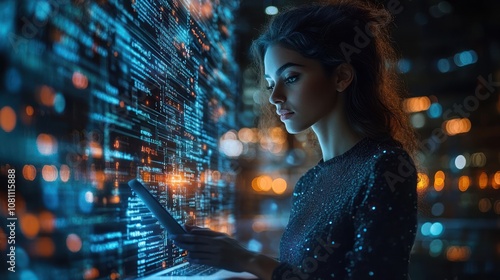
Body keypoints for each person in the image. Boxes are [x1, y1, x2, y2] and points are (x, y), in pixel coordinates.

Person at [172, 1, 419, 279]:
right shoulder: (309, 183)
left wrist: (249, 261)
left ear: (341, 76)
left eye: (291, 77)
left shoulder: (385, 166)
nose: (274, 97)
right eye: (269, 84)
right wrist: (237, 263)